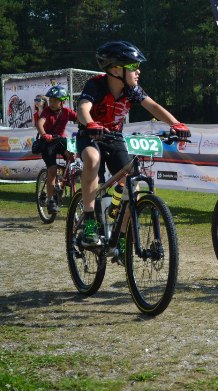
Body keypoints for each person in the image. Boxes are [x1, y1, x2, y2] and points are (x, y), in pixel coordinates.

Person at [77, 40, 190, 252]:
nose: (138, 71)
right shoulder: (96, 85)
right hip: (90, 135)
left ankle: (121, 236)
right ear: (115, 70)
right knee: (92, 158)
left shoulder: (132, 90)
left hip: (114, 137)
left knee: (133, 184)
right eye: (133, 67)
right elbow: (83, 107)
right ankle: (89, 221)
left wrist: (176, 124)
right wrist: (90, 123)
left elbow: (153, 106)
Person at [35, 86, 78, 214]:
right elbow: (40, 123)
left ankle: (63, 180)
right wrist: (44, 134)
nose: (52, 103)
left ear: (63, 102)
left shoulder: (67, 112)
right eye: (51, 100)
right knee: (52, 170)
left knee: (72, 157)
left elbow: (80, 118)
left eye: (55, 100)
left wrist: (89, 125)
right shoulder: (47, 111)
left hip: (60, 141)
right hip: (47, 142)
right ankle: (50, 200)